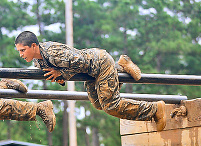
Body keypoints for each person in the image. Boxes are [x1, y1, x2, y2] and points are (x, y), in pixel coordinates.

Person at [14, 31, 167, 131]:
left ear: (34, 46)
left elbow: (80, 61)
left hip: (99, 63)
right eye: (19, 51)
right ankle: (121, 66)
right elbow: (64, 73)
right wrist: (59, 77)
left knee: (110, 105)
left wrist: (61, 72)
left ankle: (154, 109)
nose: (21, 55)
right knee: (98, 104)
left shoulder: (53, 53)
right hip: (90, 74)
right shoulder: (38, 62)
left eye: (23, 50)